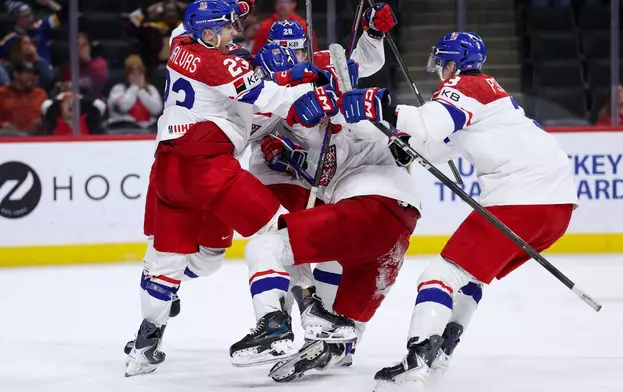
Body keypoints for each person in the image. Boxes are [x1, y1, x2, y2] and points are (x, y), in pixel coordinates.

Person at [338, 32, 579, 389]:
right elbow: (434, 143)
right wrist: (404, 144)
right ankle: (441, 351)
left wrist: (380, 106)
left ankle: (416, 359)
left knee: (437, 277)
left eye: (441, 62)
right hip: (556, 208)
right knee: (471, 277)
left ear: (452, 63)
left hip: (522, 198)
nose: (438, 70)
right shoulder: (487, 96)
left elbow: (426, 124)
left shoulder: (466, 87)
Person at [124, 0, 323, 377]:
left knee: (180, 260)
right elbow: (270, 98)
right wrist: (313, 92)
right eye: (229, 28)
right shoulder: (221, 63)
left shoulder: (180, 39)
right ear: (210, 33)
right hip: (208, 167)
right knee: (281, 230)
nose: (237, 33)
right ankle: (282, 318)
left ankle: (146, 343)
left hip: (168, 169)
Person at [232, 40, 420, 383]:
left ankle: (276, 322)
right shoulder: (317, 108)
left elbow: (357, 116)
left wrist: (354, 112)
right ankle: (331, 345)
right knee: (344, 327)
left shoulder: (342, 112)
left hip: (366, 208)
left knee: (268, 245)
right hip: (400, 229)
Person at [126, 0, 185, 71]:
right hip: (155, 71)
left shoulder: (187, 30)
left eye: (173, 11)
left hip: (182, 72)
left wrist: (188, 8)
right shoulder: (152, 29)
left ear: (178, 13)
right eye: (168, 11)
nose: (170, 14)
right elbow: (129, 26)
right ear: (162, 14)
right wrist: (146, 11)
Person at [107, 55, 163, 130]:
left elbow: (157, 110)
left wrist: (141, 91)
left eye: (139, 73)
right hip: (123, 129)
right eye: (132, 73)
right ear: (127, 75)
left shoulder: (151, 90)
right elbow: (122, 107)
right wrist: (134, 88)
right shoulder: (118, 89)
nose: (136, 76)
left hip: (148, 130)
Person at [251, 0, 317, 56]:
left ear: (293, 4)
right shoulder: (265, 26)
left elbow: (312, 53)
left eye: (285, 1)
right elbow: (256, 53)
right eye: (279, 2)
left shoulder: (304, 26)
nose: (281, 5)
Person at [0, 62, 47, 134]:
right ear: (16, 74)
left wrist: (42, 122)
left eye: (34, 74)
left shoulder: (40, 94)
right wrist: (2, 124)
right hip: (9, 136)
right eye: (28, 73)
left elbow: (48, 115)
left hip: (36, 136)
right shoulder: (2, 92)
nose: (32, 77)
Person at [59, 33, 108, 99]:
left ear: (90, 46)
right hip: (74, 101)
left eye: (84, 45)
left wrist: (88, 61)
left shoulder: (99, 64)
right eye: (78, 45)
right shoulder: (68, 66)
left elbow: (100, 82)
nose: (81, 48)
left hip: (94, 101)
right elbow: (64, 88)